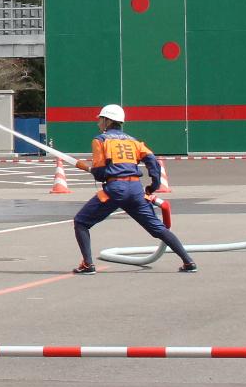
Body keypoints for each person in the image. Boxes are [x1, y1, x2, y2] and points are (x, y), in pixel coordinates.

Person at [70, 103, 196, 274]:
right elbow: (151, 159)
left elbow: (100, 172)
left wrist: (95, 171)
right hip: (135, 190)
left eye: (100, 119)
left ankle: (88, 264)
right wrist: (154, 184)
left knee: (81, 222)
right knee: (158, 228)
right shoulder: (133, 141)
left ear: (107, 121)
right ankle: (188, 261)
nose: (98, 123)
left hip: (115, 189)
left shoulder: (100, 140)